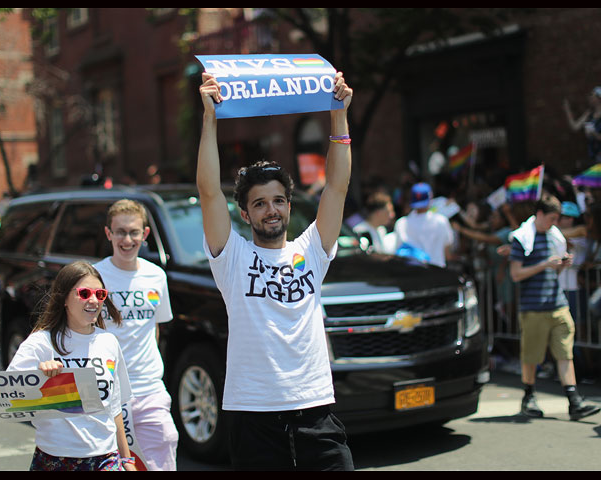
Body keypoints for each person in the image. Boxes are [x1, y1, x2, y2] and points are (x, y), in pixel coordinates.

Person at [197, 71, 354, 471]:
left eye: (279, 201)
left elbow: (336, 187)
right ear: (245, 213)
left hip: (316, 410)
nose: (272, 210)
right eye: (261, 203)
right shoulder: (231, 257)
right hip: (252, 414)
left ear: (289, 205)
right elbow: (208, 192)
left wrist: (339, 114)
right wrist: (210, 117)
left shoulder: (312, 251)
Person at [7, 261, 136, 471]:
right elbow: (10, 396)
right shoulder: (40, 343)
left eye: (100, 294)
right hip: (54, 458)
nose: (94, 300)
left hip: (105, 458)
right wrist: (38, 375)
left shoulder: (109, 342)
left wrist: (127, 460)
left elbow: (114, 408)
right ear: (64, 298)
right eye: (84, 293)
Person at [94, 199, 178, 471]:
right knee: (115, 464)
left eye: (133, 232)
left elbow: (154, 327)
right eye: (120, 232)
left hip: (149, 387)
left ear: (145, 235)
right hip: (106, 391)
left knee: (164, 449)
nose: (127, 239)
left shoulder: (156, 276)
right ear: (109, 234)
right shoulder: (95, 277)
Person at [509, 196, 600, 420]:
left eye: (556, 219)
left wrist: (561, 265)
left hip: (557, 304)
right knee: (532, 356)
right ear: (539, 214)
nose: (554, 223)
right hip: (533, 307)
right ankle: (528, 397)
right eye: (551, 218)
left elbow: (553, 272)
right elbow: (515, 274)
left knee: (564, 353)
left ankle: (574, 400)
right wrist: (544, 264)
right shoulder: (522, 239)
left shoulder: (555, 236)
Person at [393, 182, 454, 267]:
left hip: (411, 275)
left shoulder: (401, 223)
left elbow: (398, 252)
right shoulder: (441, 221)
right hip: (436, 274)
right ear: (430, 198)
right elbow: (447, 252)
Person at [564, 87, 601, 164]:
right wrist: (567, 110)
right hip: (593, 154)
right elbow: (575, 126)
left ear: (599, 98)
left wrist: (593, 133)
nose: (590, 98)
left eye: (592, 95)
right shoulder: (589, 113)